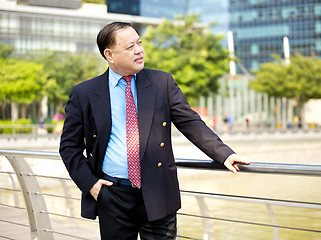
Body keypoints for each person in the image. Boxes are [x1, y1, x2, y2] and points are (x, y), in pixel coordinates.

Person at [59, 22, 251, 240]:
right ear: (110, 54)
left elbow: (190, 122)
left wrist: (223, 153)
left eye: (139, 43)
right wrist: (91, 185)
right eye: (130, 46)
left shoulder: (162, 82)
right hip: (112, 195)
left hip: (158, 192)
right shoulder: (84, 92)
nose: (139, 50)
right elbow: (69, 147)